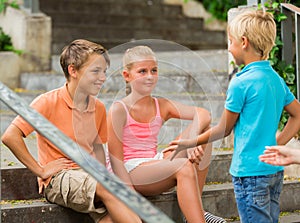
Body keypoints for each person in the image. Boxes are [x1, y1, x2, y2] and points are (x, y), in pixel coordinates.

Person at [168, 10, 300, 223]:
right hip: (273, 171)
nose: (229, 47)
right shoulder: (274, 78)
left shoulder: (240, 83)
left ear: (244, 42)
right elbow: (298, 115)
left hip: (249, 173)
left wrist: (190, 142)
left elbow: (223, 129)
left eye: (230, 41)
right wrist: (276, 145)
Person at [1, 39, 141, 223]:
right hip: (60, 178)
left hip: (91, 176)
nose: (103, 78)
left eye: (104, 72)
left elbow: (98, 150)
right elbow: (10, 135)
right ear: (73, 70)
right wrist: (41, 170)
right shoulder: (47, 101)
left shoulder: (98, 108)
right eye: (95, 71)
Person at [107, 45, 227, 223]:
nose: (149, 76)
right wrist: (134, 203)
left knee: (205, 136)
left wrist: (191, 142)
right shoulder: (119, 109)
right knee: (183, 166)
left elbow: (203, 114)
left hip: (154, 162)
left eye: (153, 70)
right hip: (130, 170)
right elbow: (116, 163)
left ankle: (194, 212)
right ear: (127, 76)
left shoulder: (161, 105)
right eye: (142, 71)